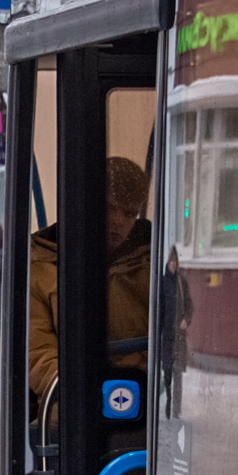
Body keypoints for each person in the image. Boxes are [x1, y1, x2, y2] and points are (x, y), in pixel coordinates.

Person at [26, 156, 152, 400]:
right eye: (109, 207)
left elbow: (174, 339)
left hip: (146, 398)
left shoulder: (152, 260)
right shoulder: (39, 266)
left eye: (128, 214)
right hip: (73, 403)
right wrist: (85, 395)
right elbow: (38, 352)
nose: (117, 221)